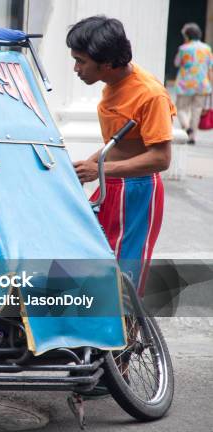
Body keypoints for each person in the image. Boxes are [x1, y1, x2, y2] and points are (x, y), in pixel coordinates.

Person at [67, 16, 175, 297]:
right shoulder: (112, 82)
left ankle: (125, 339)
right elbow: (121, 142)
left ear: (106, 63)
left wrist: (100, 170)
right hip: (113, 183)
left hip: (138, 190)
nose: (76, 69)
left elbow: (161, 159)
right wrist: (89, 165)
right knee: (88, 257)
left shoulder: (150, 95)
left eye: (81, 61)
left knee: (121, 276)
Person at [174, 22, 212, 144]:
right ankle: (192, 137)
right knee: (197, 110)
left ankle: (186, 127)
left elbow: (176, 63)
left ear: (187, 35)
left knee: (181, 108)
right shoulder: (207, 48)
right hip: (202, 85)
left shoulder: (183, 48)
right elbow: (210, 67)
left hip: (185, 85)